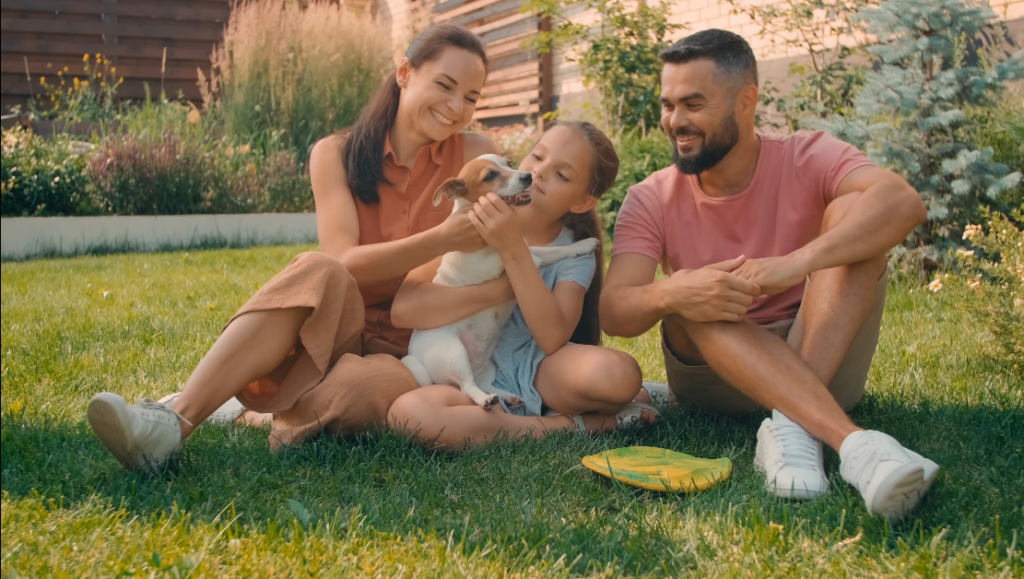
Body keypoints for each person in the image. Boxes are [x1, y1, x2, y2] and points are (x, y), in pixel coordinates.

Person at [86, 24, 505, 473]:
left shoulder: (478, 156)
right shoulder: (335, 153)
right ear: (404, 72)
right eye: (445, 86)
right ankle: (173, 421)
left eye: (472, 97)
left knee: (351, 394)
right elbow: (345, 262)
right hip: (337, 323)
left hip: (414, 348)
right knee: (320, 268)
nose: (456, 107)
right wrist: (441, 239)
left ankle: (256, 411)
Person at [600, 29, 939, 521]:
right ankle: (851, 444)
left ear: (747, 101)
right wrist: (675, 289)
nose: (676, 122)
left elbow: (903, 202)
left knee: (856, 210)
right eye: (668, 105)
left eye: (693, 104)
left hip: (821, 351)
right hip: (715, 379)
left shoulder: (807, 155)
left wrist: (797, 263)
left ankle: (791, 426)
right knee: (694, 292)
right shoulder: (650, 197)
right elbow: (615, 312)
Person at [387, 121, 661, 450]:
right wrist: (492, 288)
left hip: (539, 369)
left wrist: (513, 248)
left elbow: (552, 338)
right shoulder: (468, 225)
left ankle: (514, 420)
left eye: (562, 175)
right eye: (538, 157)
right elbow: (403, 312)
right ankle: (573, 425)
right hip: (476, 372)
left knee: (619, 375)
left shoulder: (575, 252)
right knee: (410, 414)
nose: (541, 172)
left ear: (581, 202)